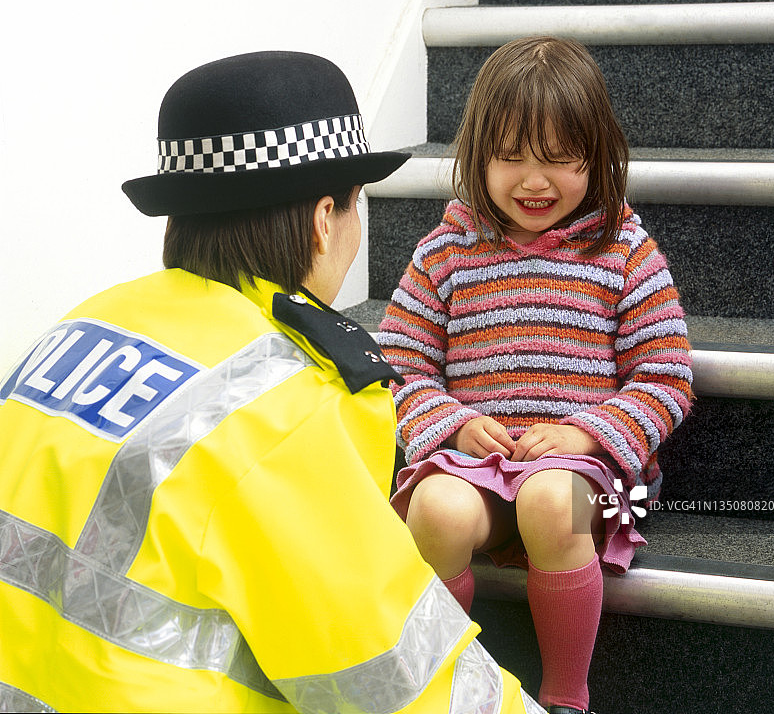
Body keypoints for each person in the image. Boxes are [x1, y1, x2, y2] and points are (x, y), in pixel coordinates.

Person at [0, 51, 543, 713]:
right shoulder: (282, 407)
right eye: (354, 208)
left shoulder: (85, 326)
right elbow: (391, 675)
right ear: (323, 219)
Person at [377, 36, 694, 714]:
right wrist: (454, 426)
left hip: (589, 481)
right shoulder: (446, 252)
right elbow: (399, 365)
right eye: (510, 157)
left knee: (551, 499)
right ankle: (444, 687)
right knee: (433, 508)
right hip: (479, 468)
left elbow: (664, 377)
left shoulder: (623, 251)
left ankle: (563, 697)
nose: (533, 180)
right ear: (476, 156)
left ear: (597, 156)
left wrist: (585, 437)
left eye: (558, 160)